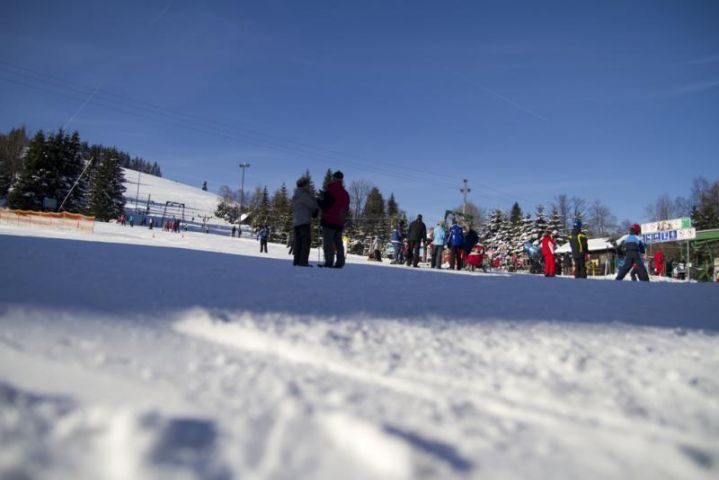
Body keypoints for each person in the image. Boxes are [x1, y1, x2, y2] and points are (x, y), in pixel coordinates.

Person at [317, 170, 350, 268]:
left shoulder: (330, 190)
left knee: (328, 243)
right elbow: (346, 208)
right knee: (338, 243)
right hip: (339, 222)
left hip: (329, 220)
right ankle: (340, 262)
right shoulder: (345, 194)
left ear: (334, 178)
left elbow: (325, 206)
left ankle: (329, 262)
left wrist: (319, 201)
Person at [291, 176, 319, 267]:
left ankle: (296, 261)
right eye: (307, 184)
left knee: (298, 242)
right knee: (305, 242)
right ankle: (303, 262)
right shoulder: (304, 195)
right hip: (304, 221)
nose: (309, 186)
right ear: (304, 185)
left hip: (296, 222)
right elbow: (313, 205)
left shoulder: (296, 195)